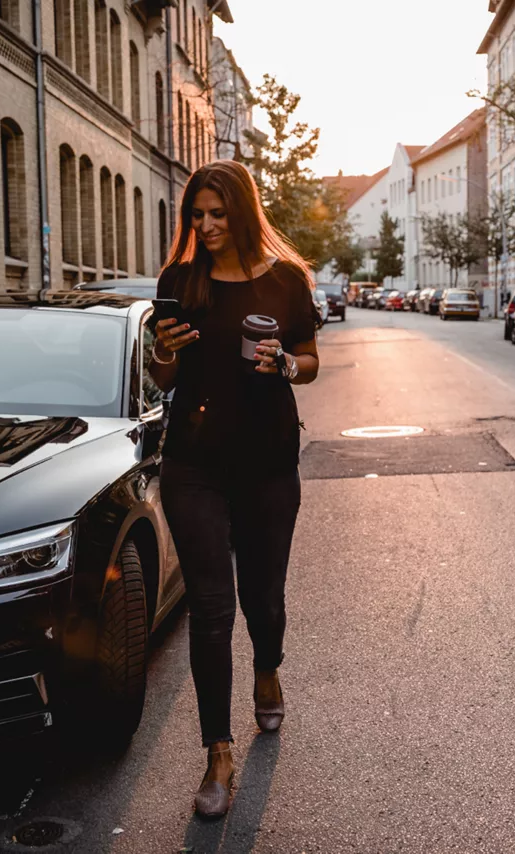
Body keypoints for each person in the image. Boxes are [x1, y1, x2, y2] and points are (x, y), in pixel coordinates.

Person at [146, 160, 319, 819]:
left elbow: (309, 359)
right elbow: (164, 378)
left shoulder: (286, 281)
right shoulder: (180, 281)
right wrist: (163, 349)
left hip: (269, 464)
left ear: (242, 212)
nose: (206, 226)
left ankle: (268, 667)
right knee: (212, 611)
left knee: (264, 603)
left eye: (218, 214)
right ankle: (217, 754)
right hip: (195, 465)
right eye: (197, 215)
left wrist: (285, 364)